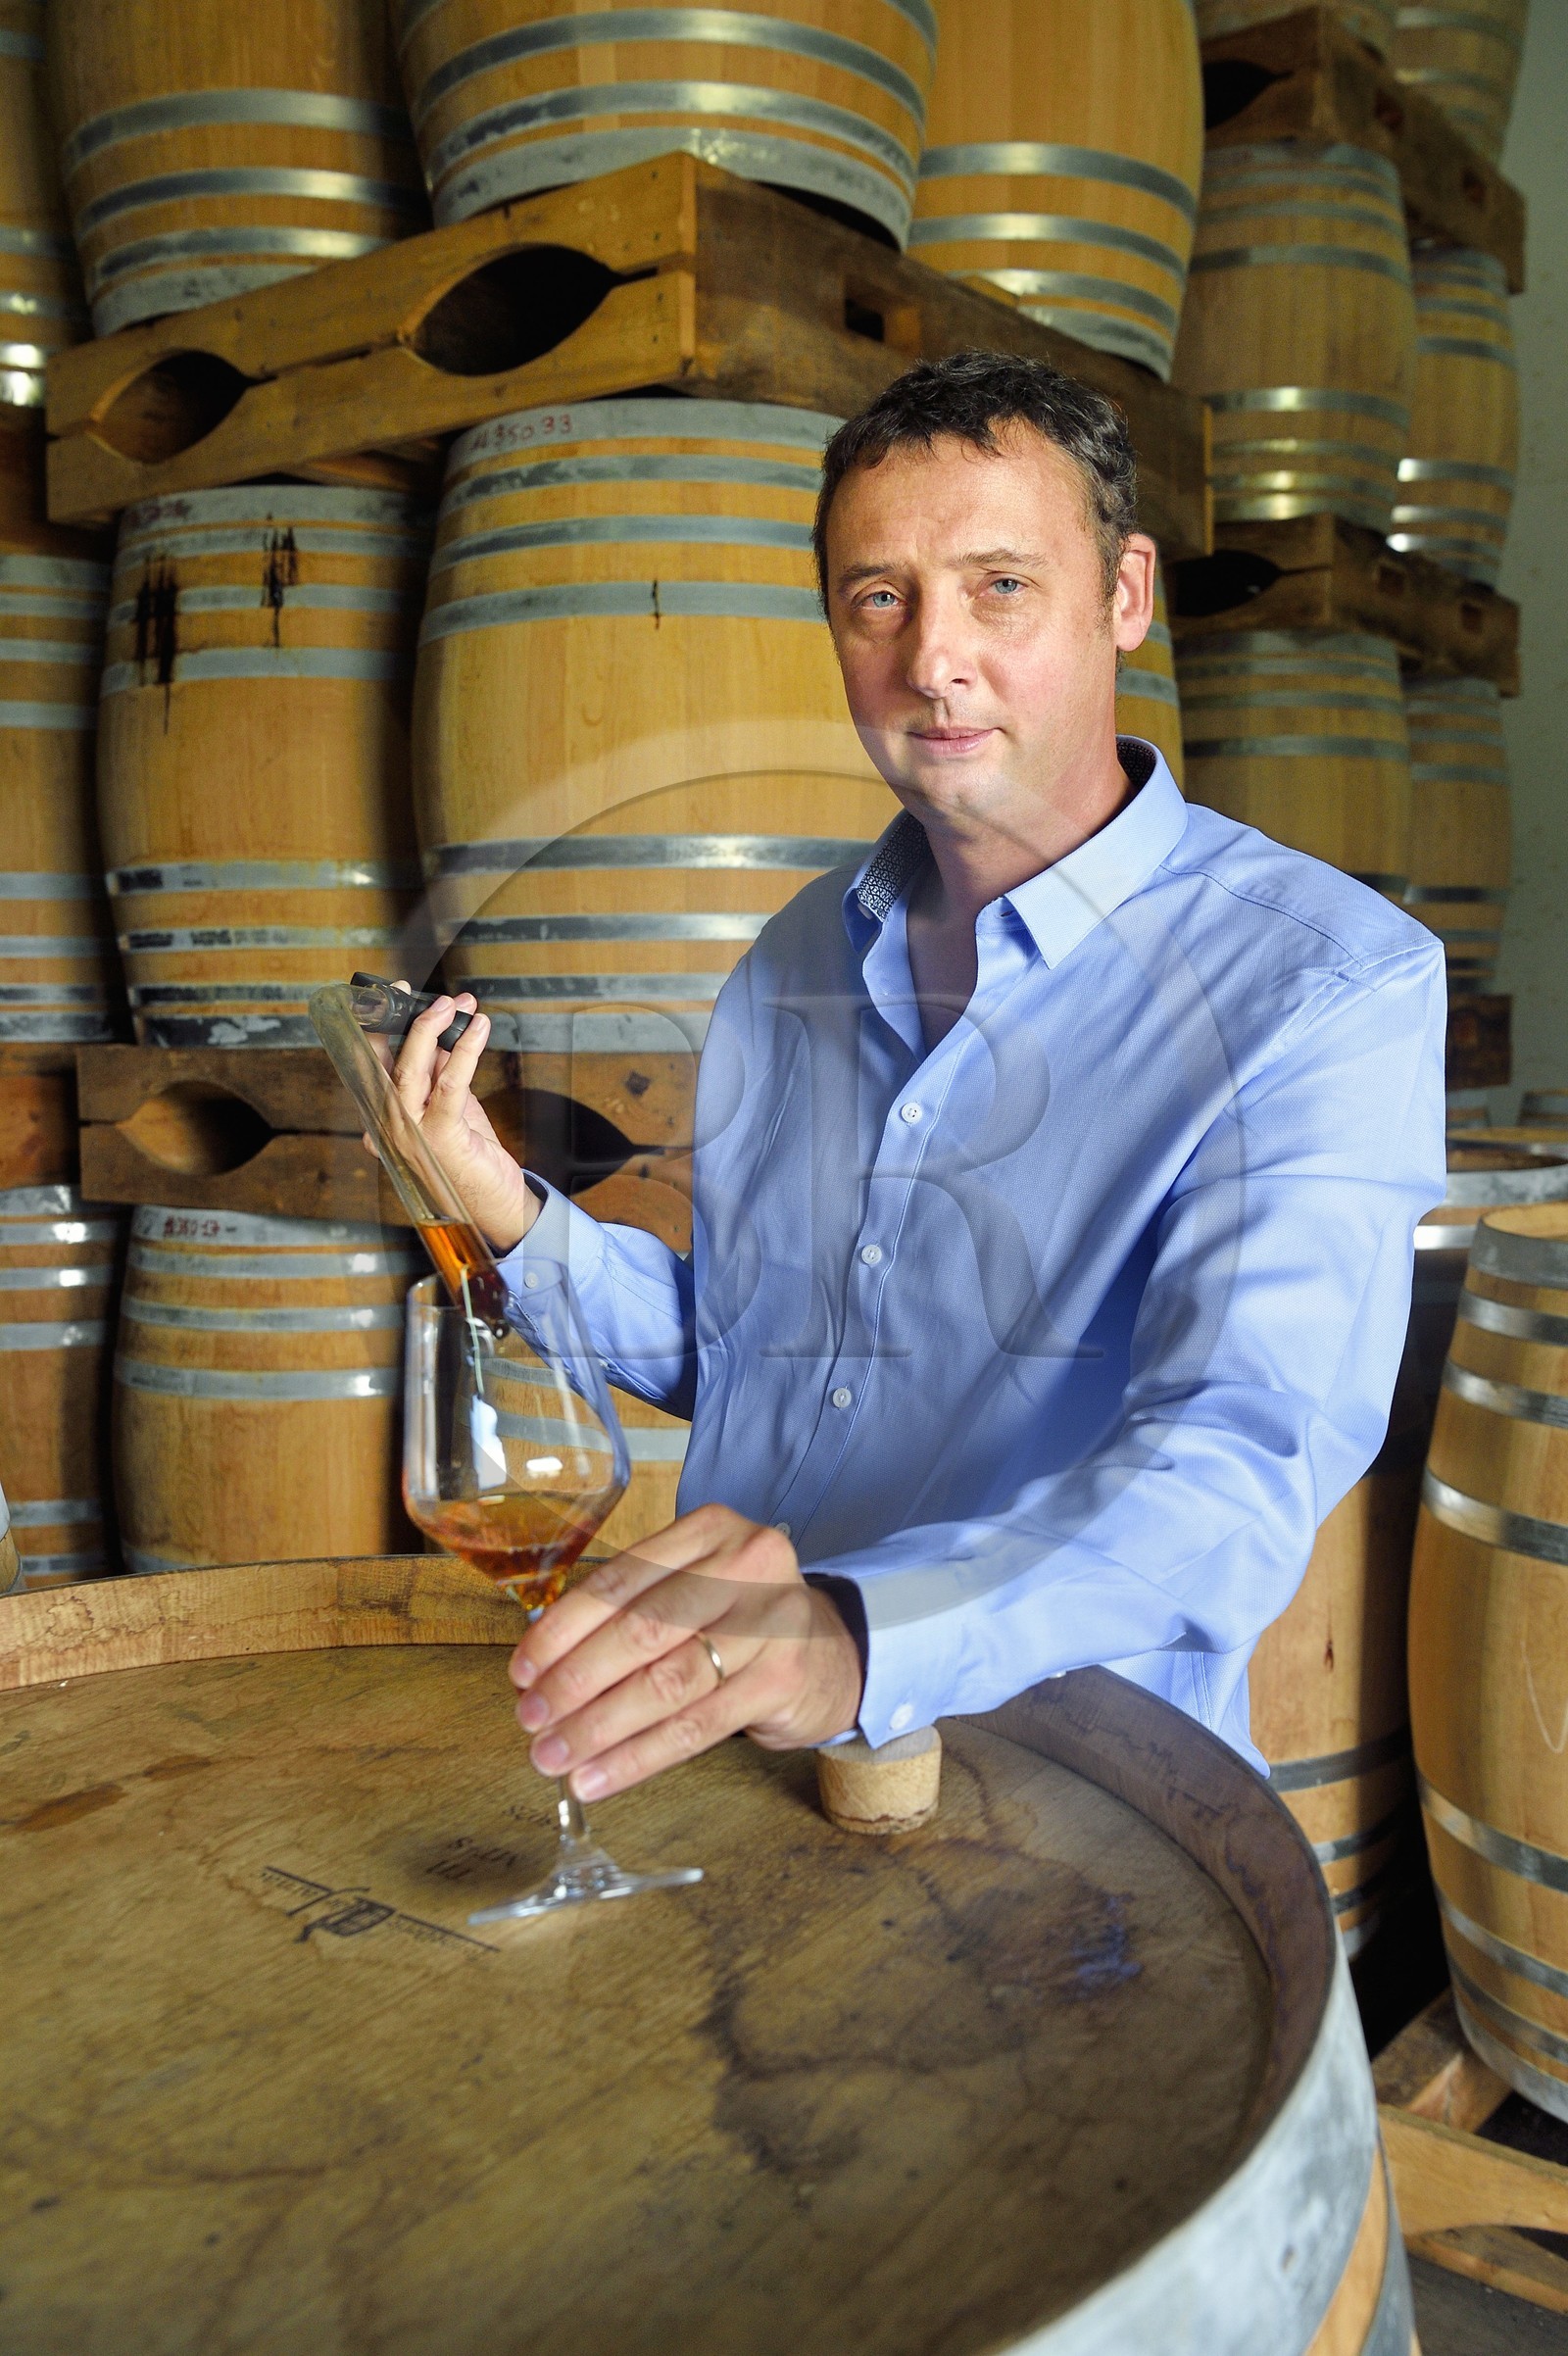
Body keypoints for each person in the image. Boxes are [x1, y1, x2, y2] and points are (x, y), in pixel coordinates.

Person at [390, 350, 1447, 1809]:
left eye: (1000, 586)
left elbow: (1232, 1468)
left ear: (1126, 597)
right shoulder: (788, 961)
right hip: (751, 1773)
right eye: (878, 596)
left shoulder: (1320, 984)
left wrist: (856, 1637)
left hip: (1082, 1823)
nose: (932, 657)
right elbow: (763, 1365)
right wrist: (505, 1212)